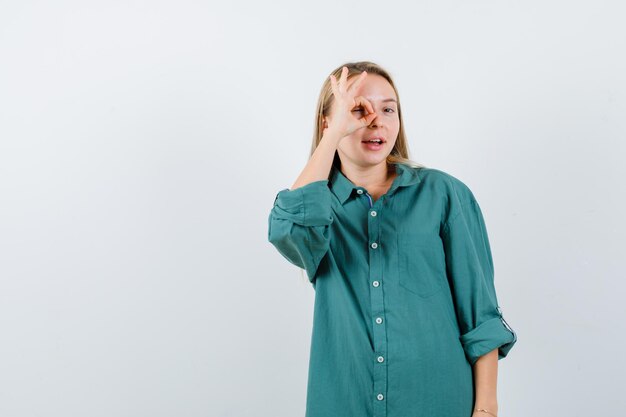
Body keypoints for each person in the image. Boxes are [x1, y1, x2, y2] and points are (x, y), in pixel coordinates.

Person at [267, 61, 517, 417]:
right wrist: (333, 135)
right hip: (344, 403)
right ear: (330, 123)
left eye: (388, 109)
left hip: (438, 402)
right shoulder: (317, 207)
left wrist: (486, 410)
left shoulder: (443, 194)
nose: (376, 121)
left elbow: (480, 314)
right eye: (358, 110)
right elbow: (286, 230)